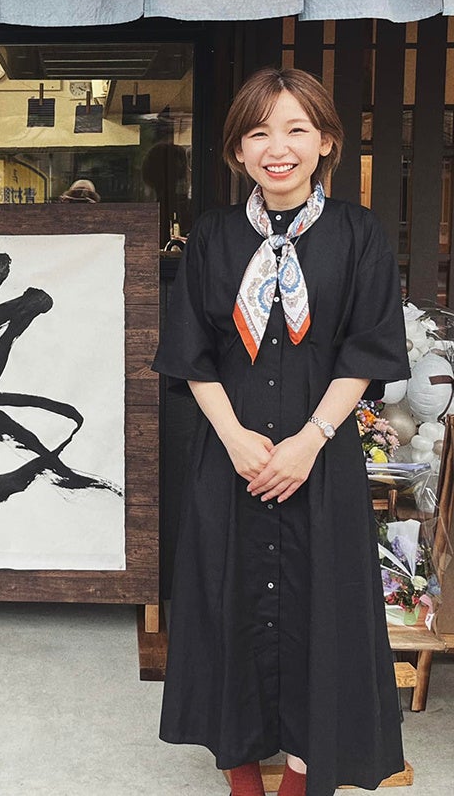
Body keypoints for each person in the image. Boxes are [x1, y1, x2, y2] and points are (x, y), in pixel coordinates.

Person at [152, 68, 409, 796]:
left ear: (325, 141)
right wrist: (235, 439)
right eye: (259, 132)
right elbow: (191, 352)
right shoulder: (213, 236)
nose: (278, 148)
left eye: (297, 129)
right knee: (224, 605)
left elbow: (365, 351)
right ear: (238, 149)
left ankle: (300, 773)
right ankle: (240, 772)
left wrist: (309, 441)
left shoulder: (358, 234)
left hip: (320, 461)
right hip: (228, 459)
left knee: (320, 613)